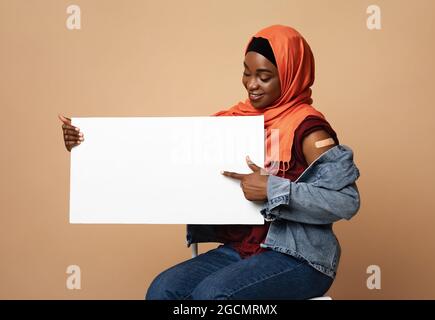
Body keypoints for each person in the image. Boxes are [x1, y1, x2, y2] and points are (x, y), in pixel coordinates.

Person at [59, 24, 360, 300]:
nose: (252, 84)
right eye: (246, 72)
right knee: (161, 291)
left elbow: (346, 201)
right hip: (241, 251)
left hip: (299, 259)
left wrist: (274, 189)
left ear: (292, 74)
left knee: (212, 297)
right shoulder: (230, 123)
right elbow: (161, 163)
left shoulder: (309, 130)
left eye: (264, 76)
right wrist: (90, 148)